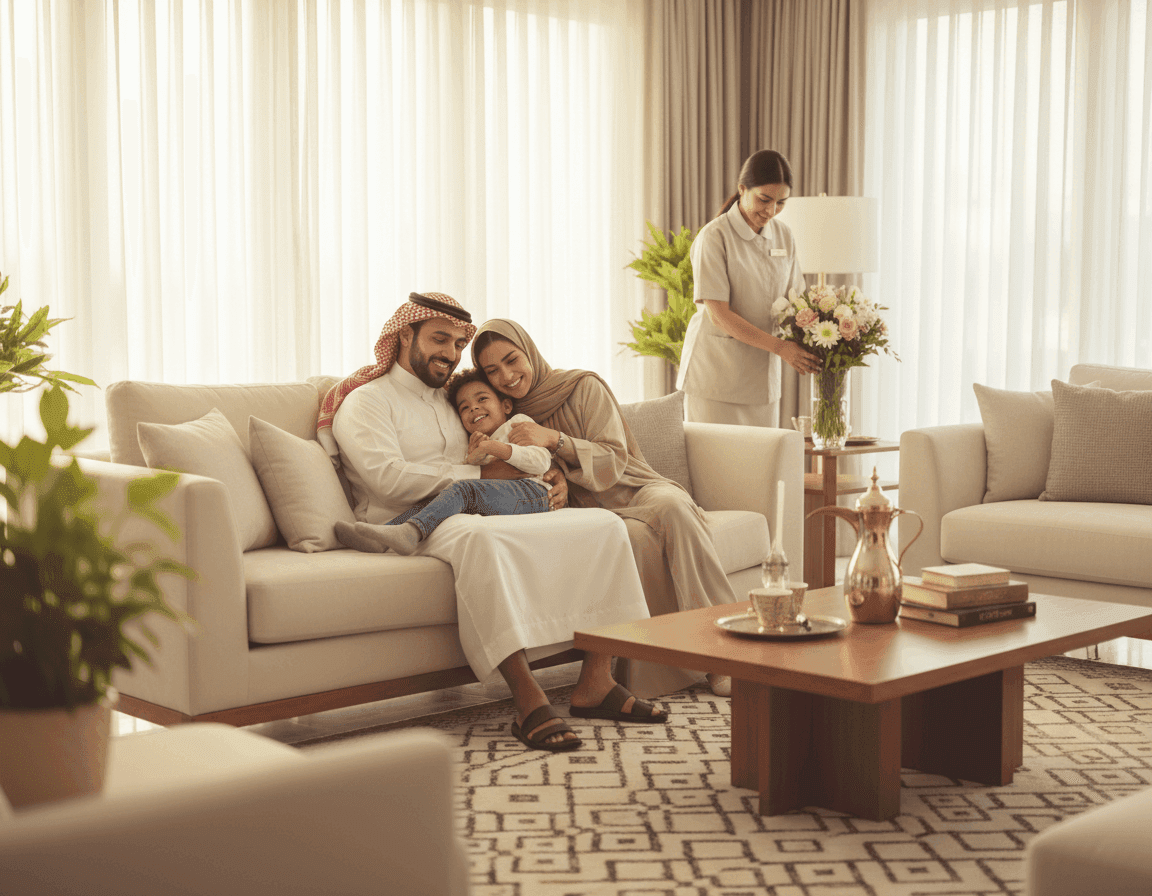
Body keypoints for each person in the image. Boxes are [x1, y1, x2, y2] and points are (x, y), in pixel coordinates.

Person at [316, 292, 667, 752]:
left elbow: (507, 445)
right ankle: (526, 697)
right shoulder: (367, 401)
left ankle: (596, 682)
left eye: (459, 342)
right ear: (404, 335)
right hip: (413, 518)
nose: (451, 352)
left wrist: (549, 474)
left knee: (602, 525)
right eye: (440, 339)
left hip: (483, 505)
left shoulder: (452, 399)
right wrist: (480, 475)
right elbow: (386, 480)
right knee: (480, 540)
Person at [472, 319, 737, 698]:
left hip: (633, 487)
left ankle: (723, 654)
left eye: (512, 360)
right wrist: (555, 479)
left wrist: (556, 440)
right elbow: (516, 468)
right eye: (492, 371)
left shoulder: (583, 386)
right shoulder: (507, 414)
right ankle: (667, 669)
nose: (507, 377)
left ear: (528, 351)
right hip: (586, 513)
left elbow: (614, 458)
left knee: (674, 507)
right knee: (631, 539)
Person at [333, 369, 551, 556]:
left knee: (462, 489)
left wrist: (496, 449)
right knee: (439, 497)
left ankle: (413, 533)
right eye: (464, 407)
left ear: (506, 405)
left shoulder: (519, 424)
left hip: (533, 493)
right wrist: (475, 458)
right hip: (504, 495)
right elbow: (481, 471)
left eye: (482, 399)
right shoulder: (477, 440)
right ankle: (383, 536)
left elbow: (541, 462)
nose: (474, 408)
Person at [676, 149, 822, 426]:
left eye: (781, 203)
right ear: (742, 189)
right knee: (716, 466)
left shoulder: (784, 236)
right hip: (715, 379)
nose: (771, 211)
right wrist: (781, 347)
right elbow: (719, 315)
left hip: (761, 383)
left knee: (761, 465)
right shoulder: (714, 236)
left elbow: (798, 303)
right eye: (764, 199)